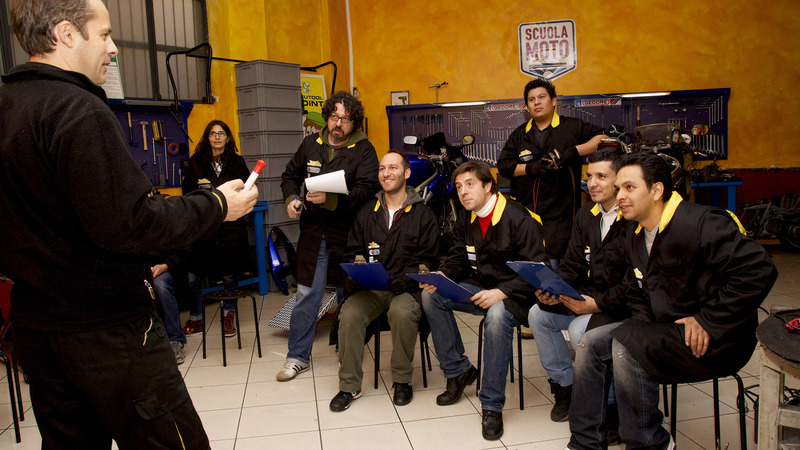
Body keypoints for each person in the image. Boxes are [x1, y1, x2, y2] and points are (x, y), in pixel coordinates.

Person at [0, 0, 258, 447]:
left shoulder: (8, 105)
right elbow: (132, 224)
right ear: (66, 34)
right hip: (107, 330)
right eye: (104, 34)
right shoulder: (78, 110)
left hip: (37, 330)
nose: (114, 48)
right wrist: (217, 204)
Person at [567, 151, 778, 450]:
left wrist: (708, 318)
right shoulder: (635, 234)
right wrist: (638, 325)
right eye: (620, 188)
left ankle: (651, 444)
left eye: (629, 187)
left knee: (628, 347)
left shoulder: (700, 222)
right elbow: (639, 289)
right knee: (591, 342)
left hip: (719, 338)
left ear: (656, 190)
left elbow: (760, 269)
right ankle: (585, 443)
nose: (621, 195)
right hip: (667, 329)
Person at [420, 161, 547, 441]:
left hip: (515, 296)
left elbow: (538, 269)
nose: (463, 192)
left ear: (488, 185)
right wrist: (442, 275)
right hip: (480, 288)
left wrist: (502, 292)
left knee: (497, 316)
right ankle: (458, 372)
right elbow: (457, 257)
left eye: (470, 184)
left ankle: (491, 405)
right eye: (459, 186)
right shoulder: (466, 217)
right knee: (431, 296)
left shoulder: (518, 217)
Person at [278, 90, 380, 381]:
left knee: (347, 293)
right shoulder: (311, 143)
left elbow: (366, 190)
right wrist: (290, 200)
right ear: (326, 116)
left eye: (346, 119)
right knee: (307, 292)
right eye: (335, 116)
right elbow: (289, 176)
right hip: (313, 233)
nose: (339, 123)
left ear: (354, 122)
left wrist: (331, 200)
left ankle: (344, 355)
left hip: (348, 235)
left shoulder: (364, 149)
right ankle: (297, 357)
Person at [528, 147, 630, 432]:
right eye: (589, 176)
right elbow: (573, 263)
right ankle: (566, 388)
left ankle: (610, 405)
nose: (592, 183)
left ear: (619, 181)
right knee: (538, 315)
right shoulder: (586, 214)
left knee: (579, 331)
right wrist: (552, 286)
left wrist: (595, 305)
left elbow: (634, 285)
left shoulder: (632, 218)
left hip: (620, 307)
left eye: (601, 176)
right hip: (585, 299)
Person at [330, 150, 440, 411]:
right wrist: (354, 274)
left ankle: (402, 381)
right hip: (372, 289)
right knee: (349, 313)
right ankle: (349, 386)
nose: (386, 173)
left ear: (406, 173)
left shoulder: (423, 214)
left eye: (392, 168)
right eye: (382, 168)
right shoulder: (367, 212)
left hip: (407, 289)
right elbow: (353, 250)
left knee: (402, 312)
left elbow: (430, 261)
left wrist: (406, 279)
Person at [496, 78, 608, 268]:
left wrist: (574, 151)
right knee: (528, 267)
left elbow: (603, 139)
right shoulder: (519, 134)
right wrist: (529, 168)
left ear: (554, 101)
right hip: (526, 215)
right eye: (531, 100)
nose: (536, 102)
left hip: (561, 216)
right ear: (527, 106)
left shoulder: (572, 126)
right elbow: (504, 166)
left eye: (541, 97)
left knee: (555, 269)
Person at [182, 120, 252, 338]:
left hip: (231, 229)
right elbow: (187, 194)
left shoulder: (237, 162)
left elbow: (247, 189)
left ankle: (228, 314)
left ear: (227, 137)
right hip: (204, 229)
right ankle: (195, 319)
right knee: (193, 275)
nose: (217, 137)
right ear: (207, 137)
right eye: (213, 133)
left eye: (221, 133)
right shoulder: (196, 162)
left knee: (229, 274)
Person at [151, 248, 191, 365]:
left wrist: (166, 265)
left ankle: (175, 339)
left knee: (160, 286)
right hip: (140, 269)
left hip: (168, 267)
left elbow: (183, 252)